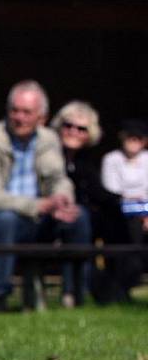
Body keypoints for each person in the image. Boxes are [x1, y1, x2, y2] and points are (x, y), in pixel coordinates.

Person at [0, 80, 91, 311]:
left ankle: (74, 294)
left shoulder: (49, 140)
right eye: (14, 110)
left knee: (78, 217)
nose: (19, 117)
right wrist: (38, 205)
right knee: (5, 219)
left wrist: (62, 199)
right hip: (0, 221)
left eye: (27, 112)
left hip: (41, 219)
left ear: (42, 117)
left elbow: (58, 179)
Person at [50, 102, 129, 303]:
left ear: (89, 134)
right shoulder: (48, 156)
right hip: (51, 217)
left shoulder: (86, 161)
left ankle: (118, 286)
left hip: (83, 221)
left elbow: (100, 194)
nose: (73, 132)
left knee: (117, 222)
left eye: (81, 128)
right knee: (78, 220)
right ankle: (74, 291)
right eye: (68, 126)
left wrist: (128, 203)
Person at [101, 119, 148, 297]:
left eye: (138, 137)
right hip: (120, 214)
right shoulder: (111, 159)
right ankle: (122, 285)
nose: (133, 141)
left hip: (145, 213)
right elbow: (113, 193)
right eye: (130, 137)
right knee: (130, 228)